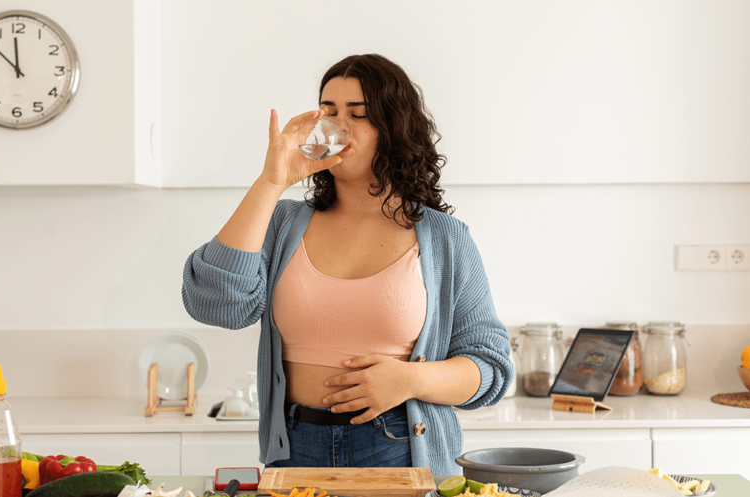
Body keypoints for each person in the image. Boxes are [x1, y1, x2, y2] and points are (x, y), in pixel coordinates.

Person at [182, 54, 512, 475]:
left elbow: (491, 367)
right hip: (295, 447)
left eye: (358, 114)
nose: (337, 126)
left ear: (392, 129)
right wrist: (271, 183)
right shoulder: (284, 223)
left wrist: (409, 380)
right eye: (329, 112)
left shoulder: (445, 238)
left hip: (400, 447)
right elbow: (216, 305)